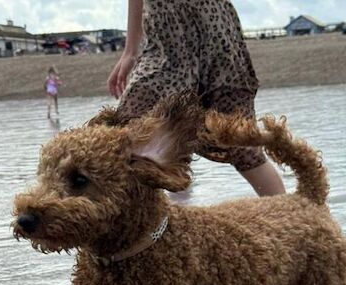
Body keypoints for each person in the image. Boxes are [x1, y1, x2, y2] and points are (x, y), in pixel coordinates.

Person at [108, 0, 285, 196]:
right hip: (165, 35)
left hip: (212, 28)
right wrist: (130, 50)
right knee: (125, 133)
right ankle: (158, 219)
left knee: (240, 144)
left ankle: (293, 222)